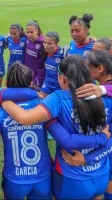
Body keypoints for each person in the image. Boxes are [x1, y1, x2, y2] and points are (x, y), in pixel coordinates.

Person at [0, 62, 110, 200]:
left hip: (15, 178)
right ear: (31, 82)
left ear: (7, 85)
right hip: (43, 176)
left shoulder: (0, 111)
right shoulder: (44, 107)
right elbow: (66, 136)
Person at [2, 55, 112, 199]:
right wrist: (90, 157)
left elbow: (24, 118)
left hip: (72, 179)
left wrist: (4, 100)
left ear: (63, 78)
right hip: (101, 175)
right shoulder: (104, 95)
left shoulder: (58, 98)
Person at [64, 50, 112, 199]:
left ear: (100, 68)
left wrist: (87, 159)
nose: (85, 70)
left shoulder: (103, 92)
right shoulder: (99, 89)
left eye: (88, 67)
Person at [40, 31, 64, 97]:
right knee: (40, 99)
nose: (46, 46)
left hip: (59, 86)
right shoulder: (44, 52)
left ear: (56, 44)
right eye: (44, 42)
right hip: (47, 83)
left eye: (49, 43)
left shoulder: (62, 54)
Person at [24, 20, 45, 88]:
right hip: (27, 72)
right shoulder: (26, 39)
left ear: (37, 31)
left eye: (31, 32)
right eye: (27, 32)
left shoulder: (43, 42)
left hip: (38, 74)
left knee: (36, 93)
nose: (29, 34)